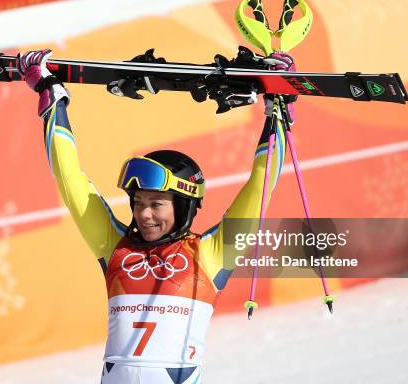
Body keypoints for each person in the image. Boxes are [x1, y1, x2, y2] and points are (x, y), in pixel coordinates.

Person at [17, 49, 292, 383]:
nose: (144, 214)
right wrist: (52, 100)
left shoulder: (210, 254)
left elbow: (260, 184)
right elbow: (70, 178)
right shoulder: (115, 248)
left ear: (184, 204)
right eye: (138, 202)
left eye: (156, 204)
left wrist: (278, 112)